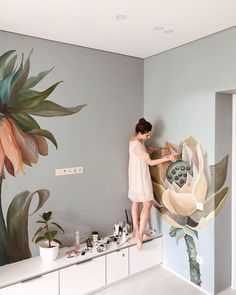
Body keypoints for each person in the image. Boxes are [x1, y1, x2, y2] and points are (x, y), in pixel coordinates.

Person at [128, 118, 175, 250]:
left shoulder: (133, 140)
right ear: (140, 132)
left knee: (135, 201)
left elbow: (138, 154)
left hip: (134, 176)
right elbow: (150, 163)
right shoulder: (138, 145)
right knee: (147, 204)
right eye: (147, 134)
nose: (149, 137)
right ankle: (140, 236)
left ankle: (136, 231)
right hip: (141, 177)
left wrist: (146, 151)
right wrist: (167, 158)